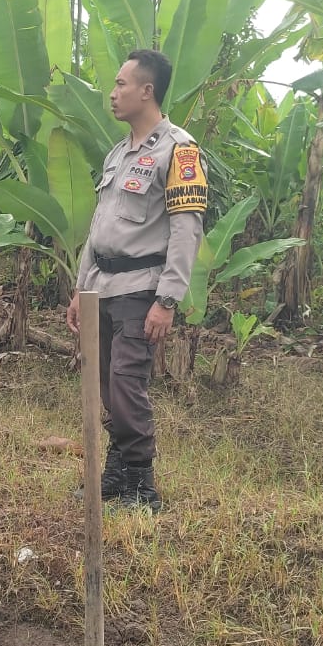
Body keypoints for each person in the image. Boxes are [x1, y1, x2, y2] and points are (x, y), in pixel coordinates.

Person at [65, 50, 208, 512]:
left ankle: (142, 484)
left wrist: (167, 299)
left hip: (140, 289)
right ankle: (116, 471)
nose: (112, 92)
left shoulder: (179, 150)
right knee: (107, 384)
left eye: (121, 84)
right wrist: (80, 289)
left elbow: (187, 230)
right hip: (101, 287)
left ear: (147, 91)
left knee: (127, 384)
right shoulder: (118, 152)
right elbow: (99, 228)